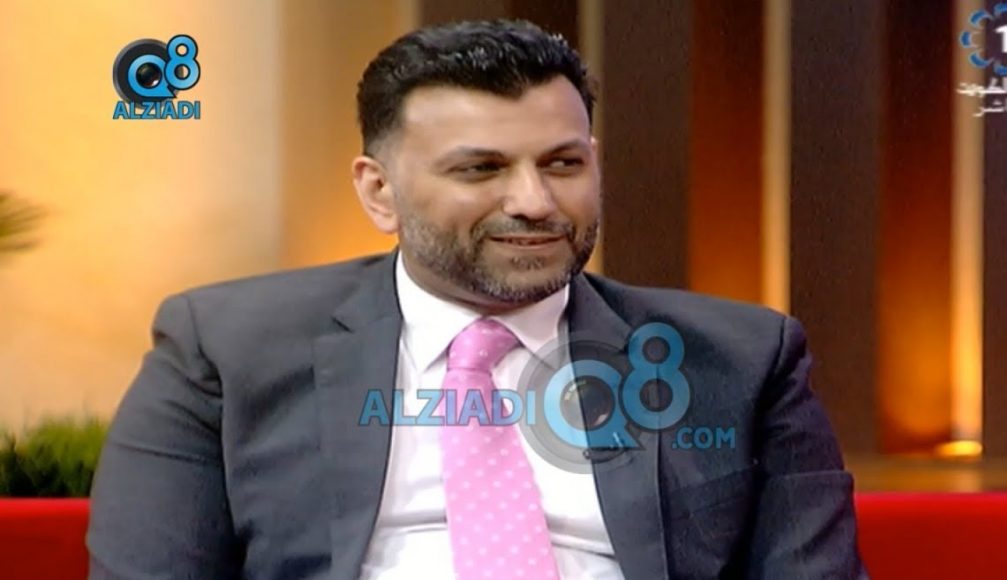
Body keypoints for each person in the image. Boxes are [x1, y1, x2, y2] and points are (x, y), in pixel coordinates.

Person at [87, 18, 867, 580]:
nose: (534, 202)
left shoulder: (742, 358)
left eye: (562, 163)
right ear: (379, 191)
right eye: (480, 169)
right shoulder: (223, 349)